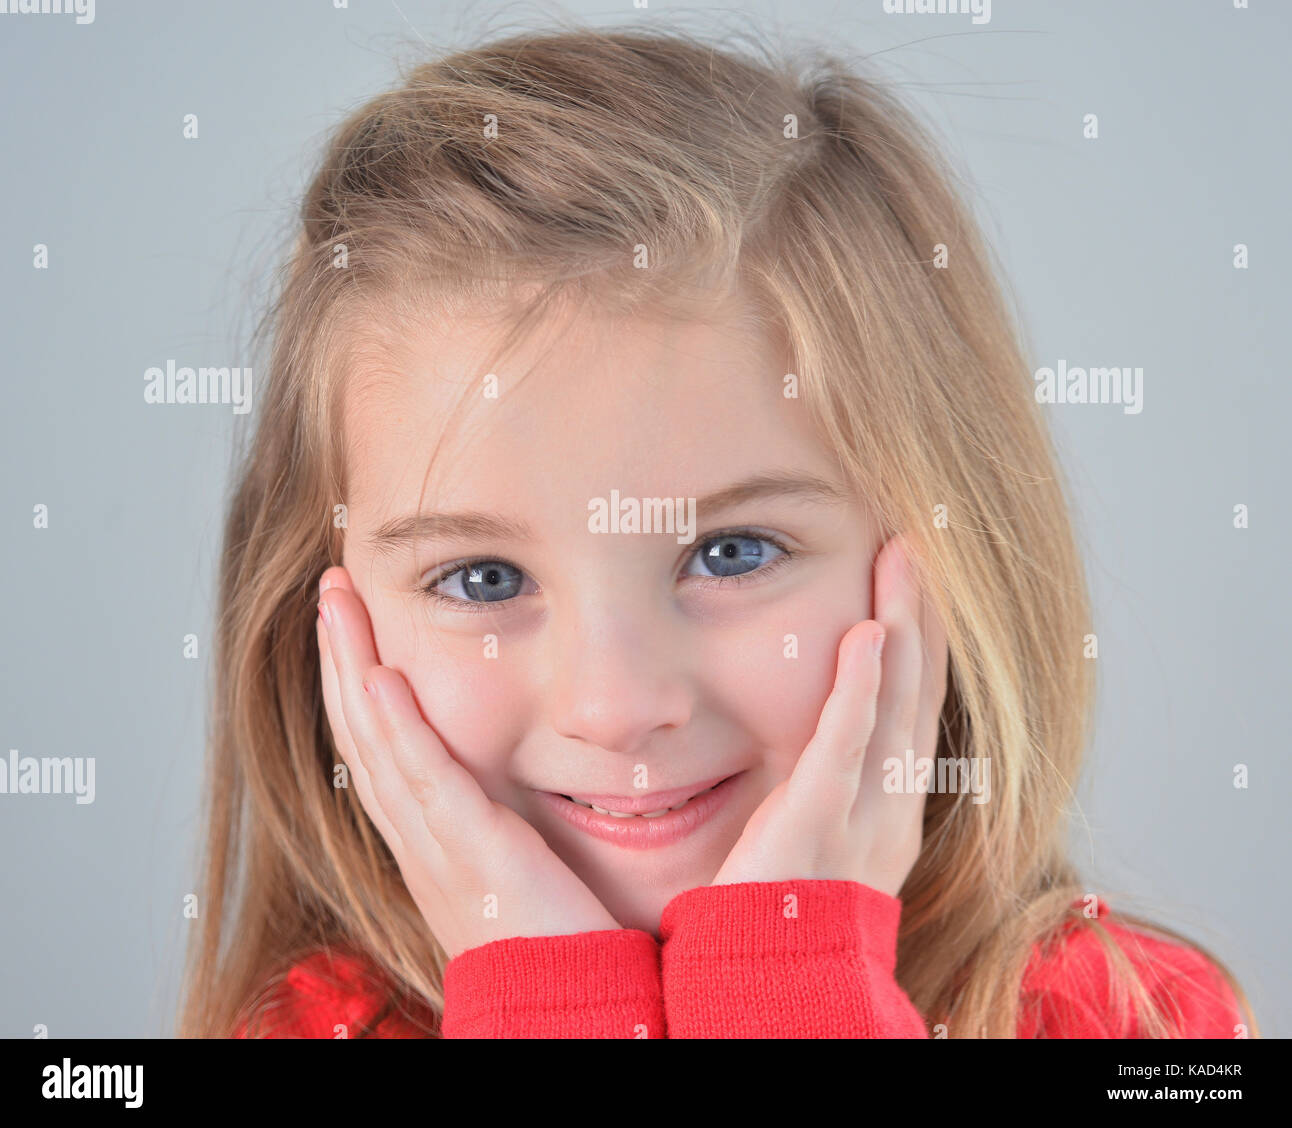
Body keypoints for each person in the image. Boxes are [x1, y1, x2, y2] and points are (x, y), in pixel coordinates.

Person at [178, 26, 1254, 1038]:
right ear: (325, 620)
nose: (615, 706)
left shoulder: (1137, 1022)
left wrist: (786, 982)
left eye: (731, 553)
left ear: (944, 550)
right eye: (482, 577)